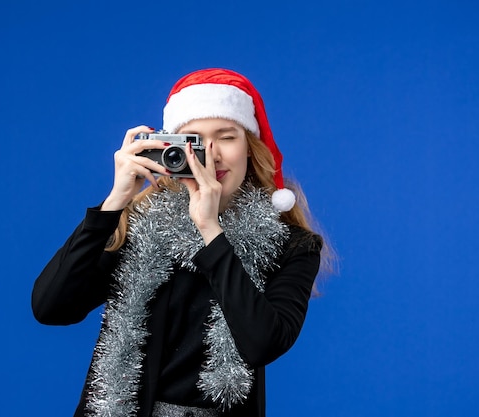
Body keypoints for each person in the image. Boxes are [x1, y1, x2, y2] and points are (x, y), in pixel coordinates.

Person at [32, 68, 330, 417]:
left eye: (227, 137)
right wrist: (114, 202)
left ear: (250, 148)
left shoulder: (293, 245)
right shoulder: (142, 225)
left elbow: (263, 342)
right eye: (193, 140)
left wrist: (209, 229)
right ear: (170, 151)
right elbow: (51, 307)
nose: (211, 154)